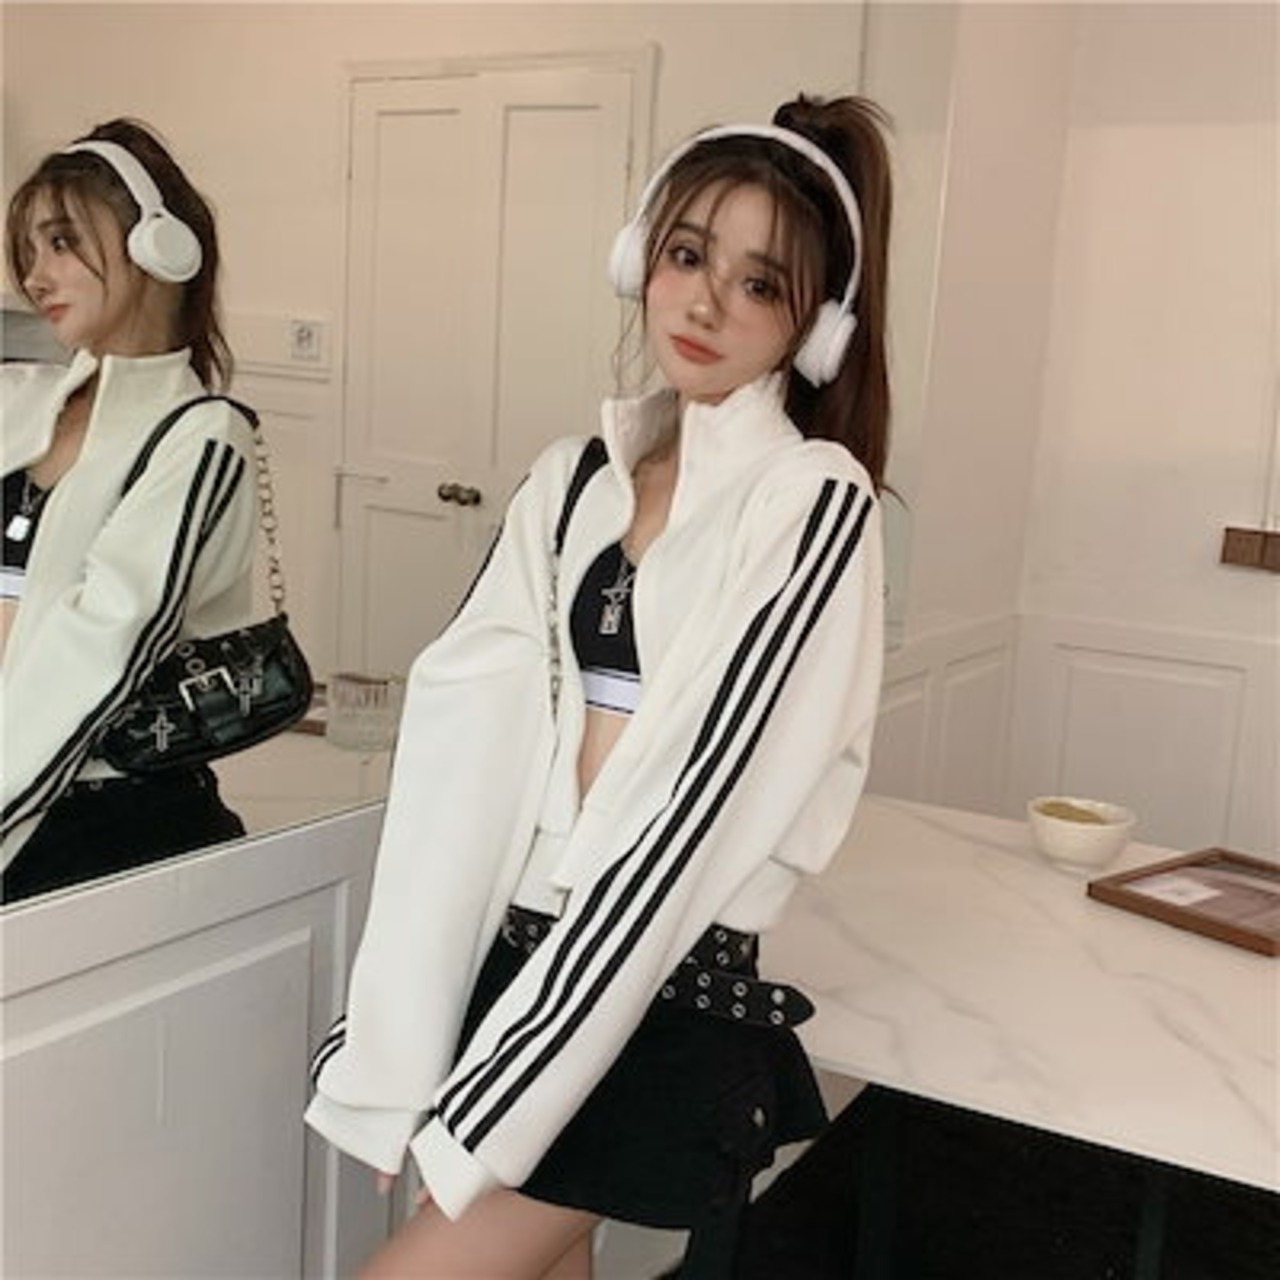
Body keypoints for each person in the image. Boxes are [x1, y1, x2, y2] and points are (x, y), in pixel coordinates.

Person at [306, 93, 894, 1279]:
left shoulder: (811, 501)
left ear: (815, 326)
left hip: (656, 990)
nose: (704, 302)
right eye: (685, 255)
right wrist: (394, 1055)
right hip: (518, 965)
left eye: (758, 282)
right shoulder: (570, 480)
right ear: (638, 260)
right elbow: (458, 768)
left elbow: (694, 812)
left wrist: (502, 1090)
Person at [1, 119, 256, 901]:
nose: (36, 276)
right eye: (29, 251)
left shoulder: (201, 436)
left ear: (157, 248)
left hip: (94, 817)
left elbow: (101, 650)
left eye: (63, 242)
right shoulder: (19, 400)